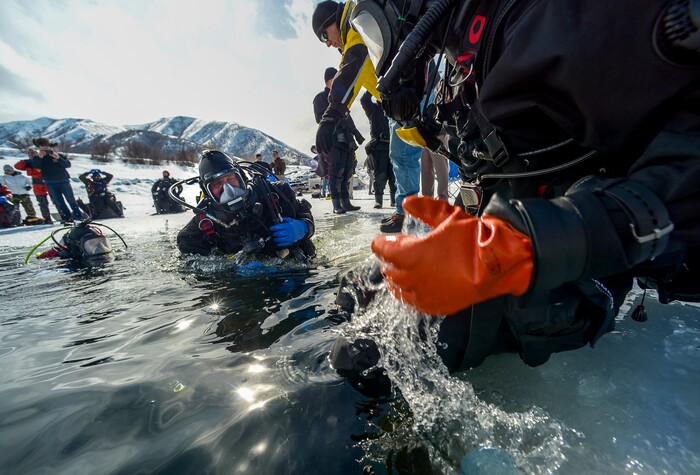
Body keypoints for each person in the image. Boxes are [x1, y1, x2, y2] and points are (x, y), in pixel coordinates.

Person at [330, 0, 700, 380]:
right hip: (513, 231)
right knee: (364, 284)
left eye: (375, 33)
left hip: (579, 263)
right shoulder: (468, 49)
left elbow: (684, 164)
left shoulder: (549, 19)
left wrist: (528, 244)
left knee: (369, 355)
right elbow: (494, 159)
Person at [312, 1, 422, 229]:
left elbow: (351, 70)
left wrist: (330, 116)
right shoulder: (358, 24)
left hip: (408, 96)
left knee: (404, 157)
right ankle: (406, 211)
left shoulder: (357, 26)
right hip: (398, 100)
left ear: (333, 19)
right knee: (403, 156)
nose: (327, 43)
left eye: (324, 35)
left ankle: (409, 214)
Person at [177, 150, 316, 260]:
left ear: (241, 176)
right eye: (217, 184)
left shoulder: (276, 194)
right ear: (207, 191)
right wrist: (229, 270)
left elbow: (303, 212)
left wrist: (304, 228)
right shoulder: (205, 222)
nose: (228, 189)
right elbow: (189, 258)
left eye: (230, 178)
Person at [312, 66, 365, 213]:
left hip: (346, 140)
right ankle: (336, 204)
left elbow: (349, 119)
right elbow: (319, 118)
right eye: (336, 78)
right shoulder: (320, 98)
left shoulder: (341, 100)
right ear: (330, 80)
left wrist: (356, 133)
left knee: (347, 171)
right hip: (333, 140)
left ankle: (345, 202)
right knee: (336, 171)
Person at [30, 137, 83, 223]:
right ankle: (67, 217)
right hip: (50, 182)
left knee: (70, 199)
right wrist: (40, 158)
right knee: (59, 201)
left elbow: (67, 165)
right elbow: (36, 167)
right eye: (42, 146)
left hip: (63, 180)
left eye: (46, 146)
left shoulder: (59, 155)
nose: (44, 148)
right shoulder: (37, 158)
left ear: (49, 146)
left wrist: (58, 158)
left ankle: (78, 216)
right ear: (39, 147)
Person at [360, 91, 396, 209]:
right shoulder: (373, 109)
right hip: (378, 147)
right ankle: (378, 200)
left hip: (393, 145)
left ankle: (394, 200)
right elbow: (364, 100)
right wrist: (373, 87)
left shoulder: (393, 108)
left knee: (394, 175)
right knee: (379, 175)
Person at [14, 148, 56, 224]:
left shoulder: (44, 160)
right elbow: (17, 166)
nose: (31, 153)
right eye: (29, 152)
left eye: (33, 152)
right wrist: (25, 161)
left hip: (48, 182)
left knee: (56, 199)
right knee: (42, 203)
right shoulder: (28, 163)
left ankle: (63, 215)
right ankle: (47, 218)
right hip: (37, 184)